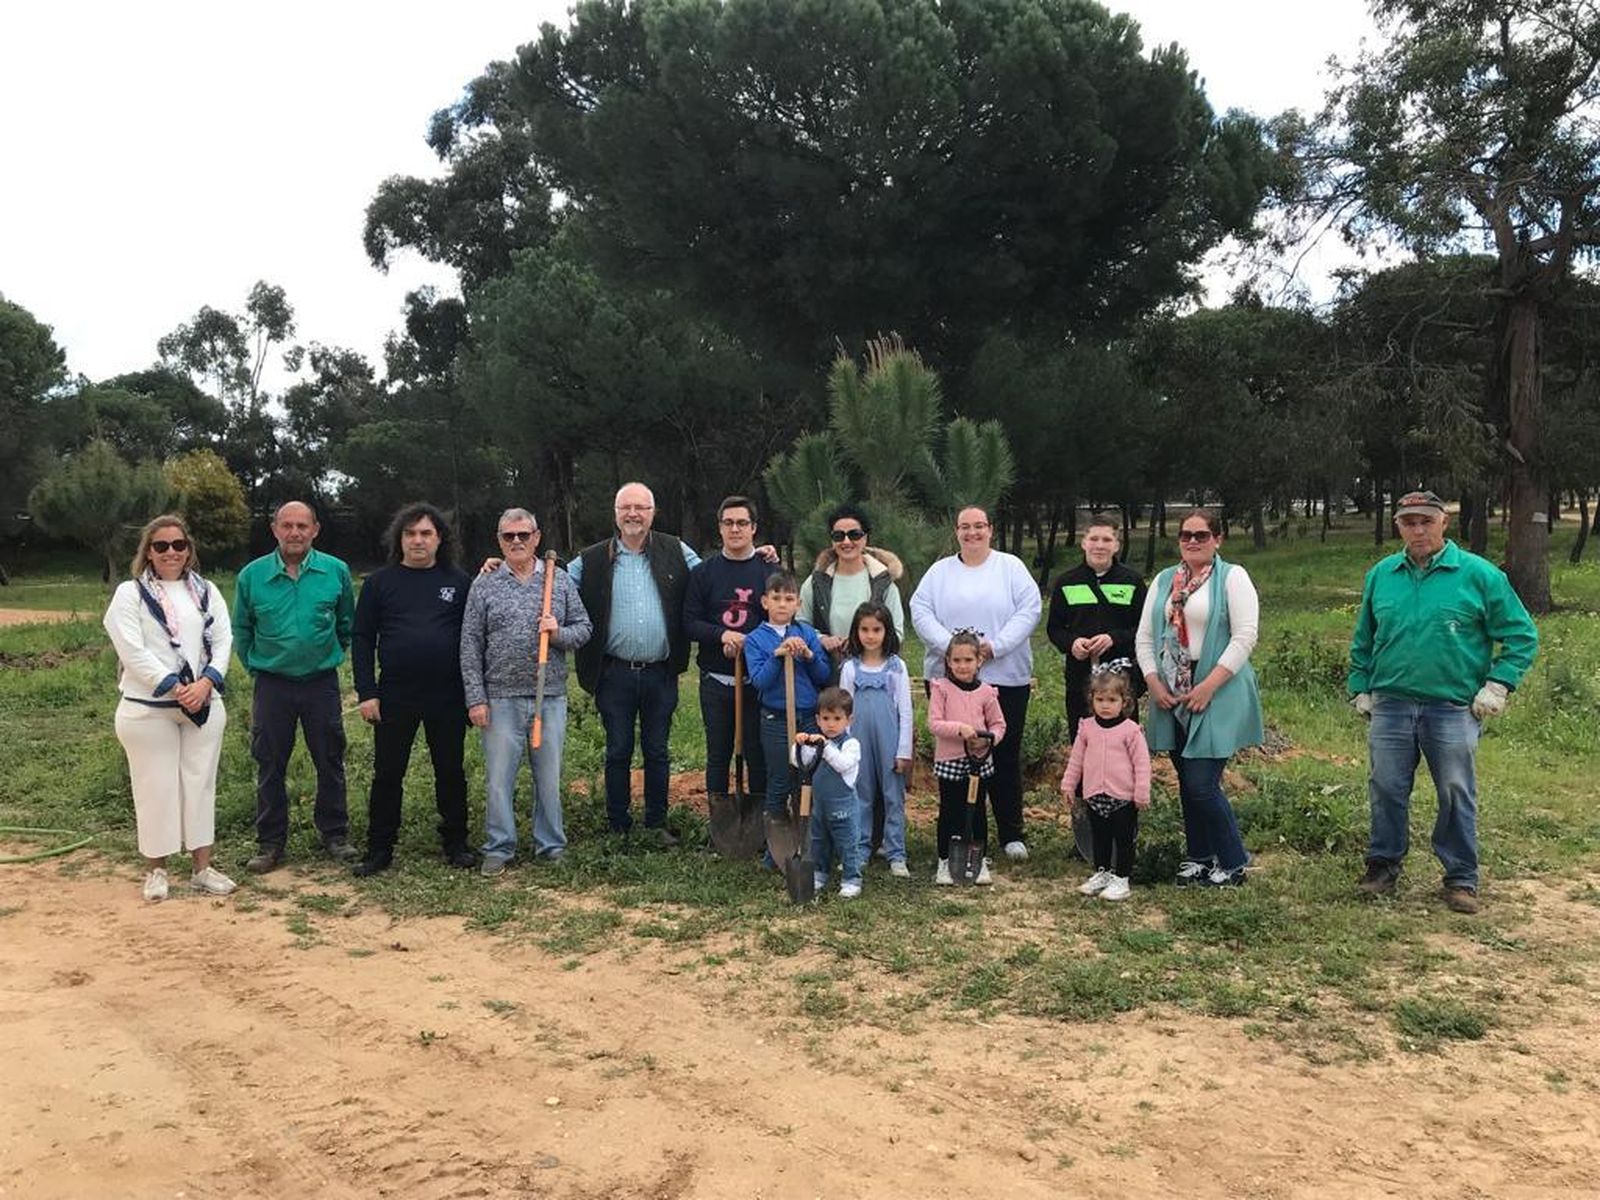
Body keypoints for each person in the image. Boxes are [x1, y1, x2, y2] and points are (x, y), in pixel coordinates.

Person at [1348, 489, 1538, 914]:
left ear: (1444, 522)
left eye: (1426, 521)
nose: (1418, 530)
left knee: (1454, 790)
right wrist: (1360, 686)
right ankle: (1382, 866)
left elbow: (1522, 635)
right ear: (1399, 526)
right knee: (1385, 787)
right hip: (1391, 704)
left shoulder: (1478, 575)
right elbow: (1364, 638)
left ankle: (1460, 878)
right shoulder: (1382, 575)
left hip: (1451, 707)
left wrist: (1499, 685)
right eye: (1408, 522)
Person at [103, 514, 236, 901]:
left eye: (179, 545)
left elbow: (223, 639)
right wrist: (176, 688)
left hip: (203, 703)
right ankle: (156, 870)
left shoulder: (206, 591)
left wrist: (206, 682)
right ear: (148, 551)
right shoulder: (130, 594)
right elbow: (132, 649)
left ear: (188, 549)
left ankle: (202, 868)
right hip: (149, 708)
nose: (171, 552)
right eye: (161, 546)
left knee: (200, 784)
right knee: (155, 787)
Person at [1135, 508, 1263, 888]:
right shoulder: (1164, 581)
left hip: (1217, 687)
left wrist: (1209, 685)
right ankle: (1200, 857)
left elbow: (1245, 636)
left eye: (1202, 535)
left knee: (1201, 783)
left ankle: (1233, 862)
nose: (1193, 541)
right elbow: (1145, 637)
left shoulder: (1232, 577)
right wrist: (1153, 682)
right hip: (1173, 691)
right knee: (1185, 778)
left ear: (1217, 539)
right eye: (1186, 535)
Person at [461, 508, 592, 876]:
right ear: (499, 540)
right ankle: (499, 847)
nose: (516, 541)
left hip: (549, 697)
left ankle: (551, 845)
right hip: (499, 699)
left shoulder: (558, 580)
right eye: (508, 536)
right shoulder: (484, 583)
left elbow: (584, 628)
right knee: (498, 779)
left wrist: (557, 632)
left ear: (536, 537)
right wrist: (476, 698)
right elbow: (470, 643)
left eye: (523, 534)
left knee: (548, 778)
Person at [568, 482, 699, 845]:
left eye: (641, 507)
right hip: (614, 673)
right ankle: (618, 825)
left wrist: (756, 556)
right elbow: (552, 581)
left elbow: (712, 578)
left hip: (661, 672)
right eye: (626, 507)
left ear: (653, 513)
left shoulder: (676, 550)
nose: (633, 514)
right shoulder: (592, 558)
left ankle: (656, 823)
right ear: (615, 514)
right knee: (618, 750)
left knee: (657, 751)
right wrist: (504, 566)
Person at [350, 502, 476, 876]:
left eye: (426, 533)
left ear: (440, 539)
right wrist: (367, 692)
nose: (417, 540)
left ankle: (456, 844)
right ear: (399, 539)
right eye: (410, 533)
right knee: (388, 774)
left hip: (448, 694)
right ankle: (379, 849)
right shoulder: (379, 584)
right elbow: (362, 639)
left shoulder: (459, 582)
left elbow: (474, 637)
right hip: (395, 694)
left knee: (450, 771)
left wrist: (474, 694)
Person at [910, 504, 1041, 863]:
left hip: (1005, 676)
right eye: (965, 527)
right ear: (956, 532)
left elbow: (1029, 609)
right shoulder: (939, 573)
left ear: (990, 529)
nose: (972, 533)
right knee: (960, 753)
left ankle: (1011, 833)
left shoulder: (1010, 568)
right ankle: (966, 830)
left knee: (1004, 753)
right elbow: (920, 611)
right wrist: (954, 650)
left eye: (979, 526)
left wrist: (994, 647)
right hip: (950, 679)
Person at [232, 500, 358, 872]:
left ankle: (335, 834)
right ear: (274, 530)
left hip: (321, 683)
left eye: (302, 525)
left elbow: (346, 624)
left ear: (315, 530)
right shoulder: (252, 576)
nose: (295, 532)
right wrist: (257, 668)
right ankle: (270, 842)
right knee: (270, 763)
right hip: (272, 685)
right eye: (287, 525)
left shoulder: (335, 571)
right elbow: (242, 629)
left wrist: (328, 655)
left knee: (330, 759)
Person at [682, 495, 770, 817]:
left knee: (756, 753)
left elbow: (781, 621)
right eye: (728, 523)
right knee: (718, 754)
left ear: (753, 528)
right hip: (716, 680)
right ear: (719, 528)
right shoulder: (704, 573)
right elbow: (689, 622)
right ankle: (721, 823)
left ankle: (758, 822)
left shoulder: (768, 571)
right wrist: (722, 635)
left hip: (758, 680)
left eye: (742, 523)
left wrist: (751, 643)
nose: (735, 529)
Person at [743, 571, 833, 830]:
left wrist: (808, 655)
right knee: (780, 778)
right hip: (776, 720)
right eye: (776, 598)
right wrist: (778, 655)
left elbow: (823, 675)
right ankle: (776, 837)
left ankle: (808, 835)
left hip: (808, 718)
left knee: (809, 779)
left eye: (789, 599)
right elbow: (760, 681)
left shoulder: (806, 633)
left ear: (798, 604)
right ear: (765, 602)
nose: (782, 604)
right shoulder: (755, 639)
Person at [1046, 514, 1147, 743]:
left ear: (1117, 545)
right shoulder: (1066, 582)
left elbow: (1144, 629)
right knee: (1083, 741)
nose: (1099, 545)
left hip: (1121, 679)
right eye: (1094, 539)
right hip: (1080, 679)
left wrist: (1114, 638)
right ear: (1083, 542)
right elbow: (1054, 628)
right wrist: (1072, 643)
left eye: (1107, 539)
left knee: (1124, 743)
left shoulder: (1131, 581)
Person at [1060, 668, 1151, 902]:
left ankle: (1122, 879)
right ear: (1092, 700)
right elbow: (1076, 759)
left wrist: (1141, 792)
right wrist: (1069, 785)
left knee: (1123, 839)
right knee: (1100, 837)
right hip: (1094, 795)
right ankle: (1102, 873)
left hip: (1123, 797)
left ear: (1124, 701)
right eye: (1100, 700)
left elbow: (1142, 764)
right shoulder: (1086, 728)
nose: (1105, 705)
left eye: (1112, 700)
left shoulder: (1131, 731)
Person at [838, 601, 913, 878]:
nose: (870, 636)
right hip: (858, 743)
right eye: (864, 629)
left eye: (876, 630)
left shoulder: (896, 667)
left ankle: (896, 853)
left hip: (890, 742)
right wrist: (845, 749)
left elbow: (905, 711)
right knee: (861, 794)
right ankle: (859, 851)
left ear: (887, 631)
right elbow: (843, 712)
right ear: (856, 632)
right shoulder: (850, 668)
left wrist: (903, 750)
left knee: (893, 796)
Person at [927, 630, 1007, 886]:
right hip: (950, 761)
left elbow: (999, 725)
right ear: (948, 661)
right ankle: (944, 860)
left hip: (979, 761)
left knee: (977, 811)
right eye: (957, 660)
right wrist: (959, 729)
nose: (962, 666)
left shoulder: (987, 692)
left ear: (979, 661)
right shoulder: (941, 688)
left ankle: (978, 860)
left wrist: (988, 739)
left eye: (968, 660)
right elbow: (935, 723)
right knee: (950, 810)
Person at [798, 503, 906, 668]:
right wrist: (822, 639)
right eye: (838, 536)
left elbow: (897, 633)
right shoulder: (815, 582)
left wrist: (861, 643)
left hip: (872, 672)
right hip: (826, 672)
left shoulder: (883, 582)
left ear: (865, 538)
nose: (846, 541)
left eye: (854, 535)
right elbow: (800, 624)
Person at [794, 686, 864, 899]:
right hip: (820, 808)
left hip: (844, 810)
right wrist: (800, 744)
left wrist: (824, 747)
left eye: (837, 718)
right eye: (825, 718)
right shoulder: (817, 743)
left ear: (849, 720)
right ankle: (819, 872)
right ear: (818, 719)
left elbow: (842, 764)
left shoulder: (851, 745)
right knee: (818, 842)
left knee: (847, 845)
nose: (831, 724)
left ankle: (852, 878)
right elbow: (797, 761)